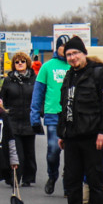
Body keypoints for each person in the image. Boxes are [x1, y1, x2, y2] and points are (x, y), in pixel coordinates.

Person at [54, 37, 103, 204]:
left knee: (95, 182)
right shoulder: (68, 76)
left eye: (75, 54)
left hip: (93, 137)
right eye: (69, 54)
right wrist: (62, 133)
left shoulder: (99, 74)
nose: (72, 58)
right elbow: (64, 107)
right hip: (72, 137)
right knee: (71, 182)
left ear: (84, 53)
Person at [30, 36, 71, 195]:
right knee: (54, 149)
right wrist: (34, 117)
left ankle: (68, 182)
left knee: (71, 152)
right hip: (53, 114)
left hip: (72, 115)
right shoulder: (47, 67)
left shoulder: (74, 66)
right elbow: (38, 94)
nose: (66, 50)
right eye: (63, 47)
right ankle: (52, 176)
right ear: (58, 48)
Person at [0, 50, 41, 187]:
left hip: (29, 119)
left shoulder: (35, 79)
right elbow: (1, 99)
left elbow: (40, 97)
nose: (20, 64)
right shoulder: (8, 80)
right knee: (16, 151)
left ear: (27, 63)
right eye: (17, 62)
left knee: (29, 152)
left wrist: (39, 112)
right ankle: (14, 177)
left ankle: (28, 178)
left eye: (22, 61)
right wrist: (4, 111)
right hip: (13, 119)